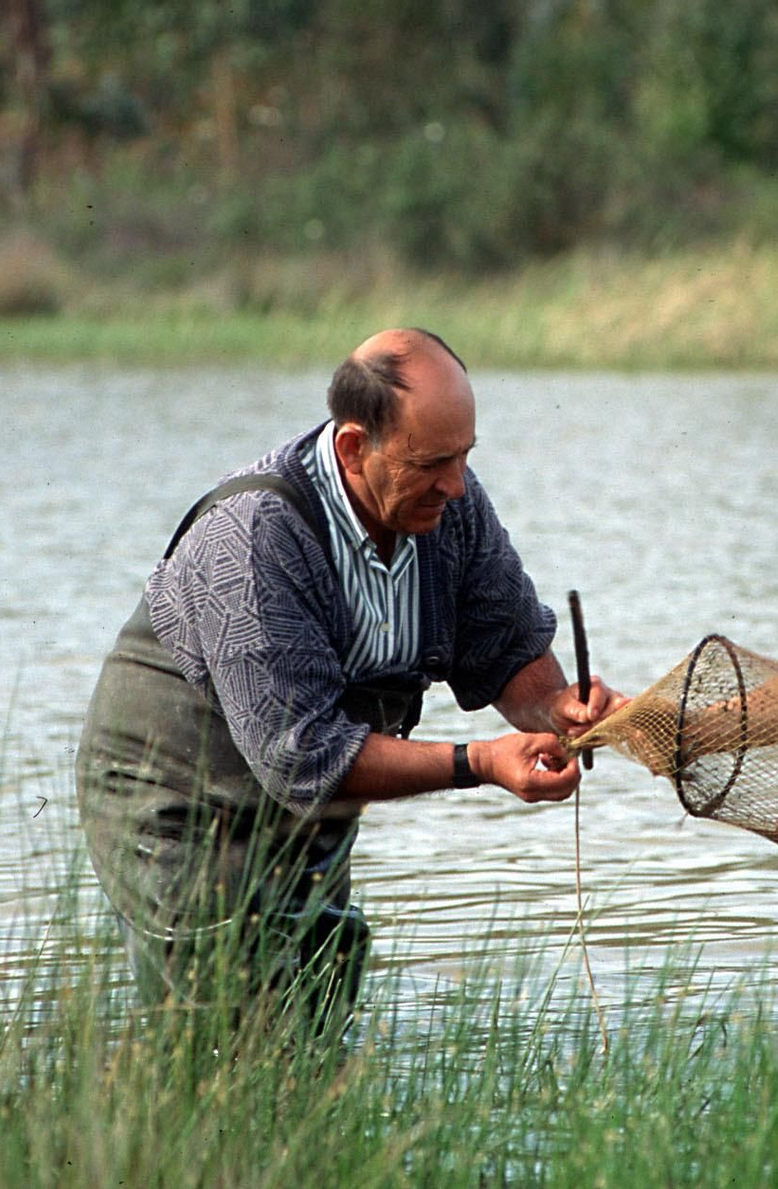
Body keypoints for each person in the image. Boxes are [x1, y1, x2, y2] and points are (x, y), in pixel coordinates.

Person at [76, 327, 622, 1032]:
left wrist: (555, 706)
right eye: (432, 463)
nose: (456, 486)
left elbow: (505, 645)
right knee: (221, 1024)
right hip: (177, 799)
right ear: (353, 448)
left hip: (303, 804)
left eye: (464, 459)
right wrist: (480, 762)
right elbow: (305, 757)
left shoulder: (448, 503)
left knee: (319, 988)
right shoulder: (256, 536)